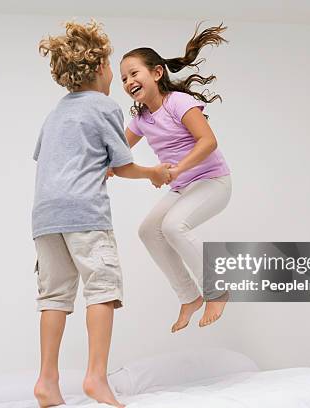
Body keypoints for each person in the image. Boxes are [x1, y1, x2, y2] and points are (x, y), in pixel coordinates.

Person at [32, 20, 170, 408]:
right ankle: (95, 377)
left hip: (45, 219)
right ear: (96, 69)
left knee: (54, 296)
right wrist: (154, 172)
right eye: (111, 65)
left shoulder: (55, 113)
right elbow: (122, 165)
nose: (116, 74)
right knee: (103, 291)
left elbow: (45, 158)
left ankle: (46, 381)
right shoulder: (105, 106)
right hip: (84, 215)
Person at [119, 23, 232, 333]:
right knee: (148, 231)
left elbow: (208, 141)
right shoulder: (141, 119)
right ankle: (189, 296)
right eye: (124, 78)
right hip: (183, 187)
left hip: (212, 181)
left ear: (157, 73)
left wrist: (177, 169)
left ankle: (218, 289)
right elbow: (118, 153)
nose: (129, 81)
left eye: (134, 73)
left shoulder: (178, 103)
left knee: (172, 226)